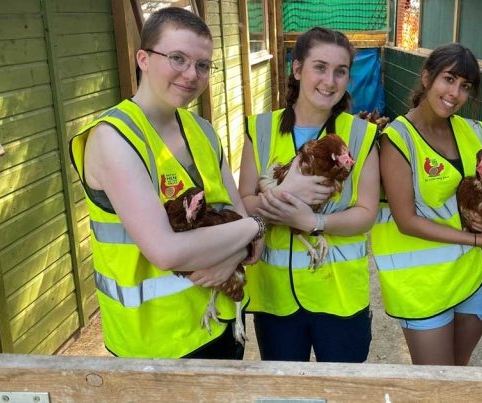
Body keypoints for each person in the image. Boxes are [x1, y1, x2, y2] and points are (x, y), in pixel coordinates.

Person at [69, 7, 262, 359]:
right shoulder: (115, 138)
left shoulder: (203, 131)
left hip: (222, 319)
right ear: (143, 59)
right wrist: (254, 229)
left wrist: (240, 246)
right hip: (157, 346)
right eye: (177, 58)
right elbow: (165, 251)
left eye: (202, 65)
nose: (191, 74)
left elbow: (239, 220)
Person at [238, 27, 380, 363]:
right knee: (288, 389)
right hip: (277, 299)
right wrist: (283, 195)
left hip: (340, 296)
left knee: (343, 388)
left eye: (340, 71)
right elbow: (243, 204)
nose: (330, 81)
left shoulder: (361, 134)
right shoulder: (260, 128)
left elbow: (366, 213)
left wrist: (313, 221)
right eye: (320, 67)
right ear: (298, 69)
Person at [371, 43, 482, 366]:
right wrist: (477, 239)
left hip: (473, 276)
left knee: (458, 371)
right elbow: (406, 220)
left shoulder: (475, 132)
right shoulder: (398, 138)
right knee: (435, 383)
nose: (455, 93)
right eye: (448, 79)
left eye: (465, 86)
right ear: (426, 77)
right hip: (422, 285)